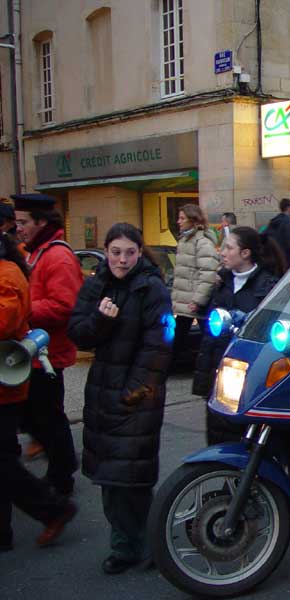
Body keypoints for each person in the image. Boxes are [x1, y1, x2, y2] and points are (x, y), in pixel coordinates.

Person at [67, 223, 172, 574]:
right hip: (102, 392)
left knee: (133, 479)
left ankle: (150, 545)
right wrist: (102, 321)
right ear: (106, 252)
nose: (122, 260)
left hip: (136, 397)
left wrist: (132, 394)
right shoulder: (96, 284)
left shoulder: (151, 288)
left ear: (140, 253)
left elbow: (159, 346)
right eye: (116, 252)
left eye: (130, 252)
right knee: (111, 479)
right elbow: (79, 334)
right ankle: (127, 546)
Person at [0, 231, 78, 552]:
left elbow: (5, 321)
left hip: (6, 383)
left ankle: (53, 508)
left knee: (4, 460)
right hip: (7, 381)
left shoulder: (8, 274)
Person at [12, 193, 82, 494]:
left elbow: (65, 306)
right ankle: (62, 467)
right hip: (33, 353)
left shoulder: (57, 256)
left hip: (48, 355)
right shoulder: (32, 252)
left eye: (23, 222)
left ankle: (62, 475)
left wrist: (21, 308)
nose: (18, 228)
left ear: (41, 222)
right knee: (35, 417)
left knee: (47, 418)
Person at [193, 227, 286, 445]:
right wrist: (204, 382)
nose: (222, 252)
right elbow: (209, 336)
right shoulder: (222, 283)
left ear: (245, 253)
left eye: (228, 247)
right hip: (220, 376)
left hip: (250, 378)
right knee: (218, 441)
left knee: (247, 444)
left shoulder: (268, 286)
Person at [171, 204, 220, 361]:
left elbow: (208, 273)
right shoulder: (185, 240)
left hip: (193, 302)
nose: (178, 221)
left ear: (193, 220)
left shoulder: (202, 243)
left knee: (206, 339)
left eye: (182, 218)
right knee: (179, 338)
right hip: (186, 301)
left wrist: (198, 300)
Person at [266, 198, 290, 266]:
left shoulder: (273, 222)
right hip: (287, 262)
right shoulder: (289, 223)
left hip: (275, 261)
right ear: (288, 208)